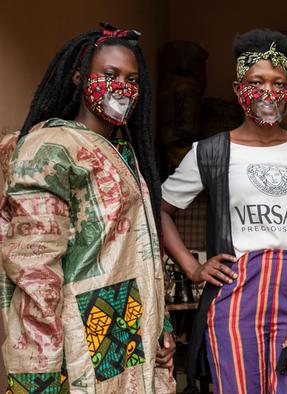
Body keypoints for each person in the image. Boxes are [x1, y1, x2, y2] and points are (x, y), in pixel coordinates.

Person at [160, 28, 287, 393]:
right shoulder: (210, 152)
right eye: (257, 81)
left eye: (279, 82)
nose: (269, 92)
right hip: (234, 302)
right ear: (238, 87)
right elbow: (158, 211)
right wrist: (193, 268)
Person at [0, 23, 175, 393]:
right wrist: (39, 371)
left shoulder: (125, 151)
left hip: (122, 326)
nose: (121, 86)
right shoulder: (51, 149)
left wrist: (162, 326)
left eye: (132, 78)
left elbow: (136, 250)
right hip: (78, 333)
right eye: (109, 75)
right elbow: (34, 267)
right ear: (79, 77)